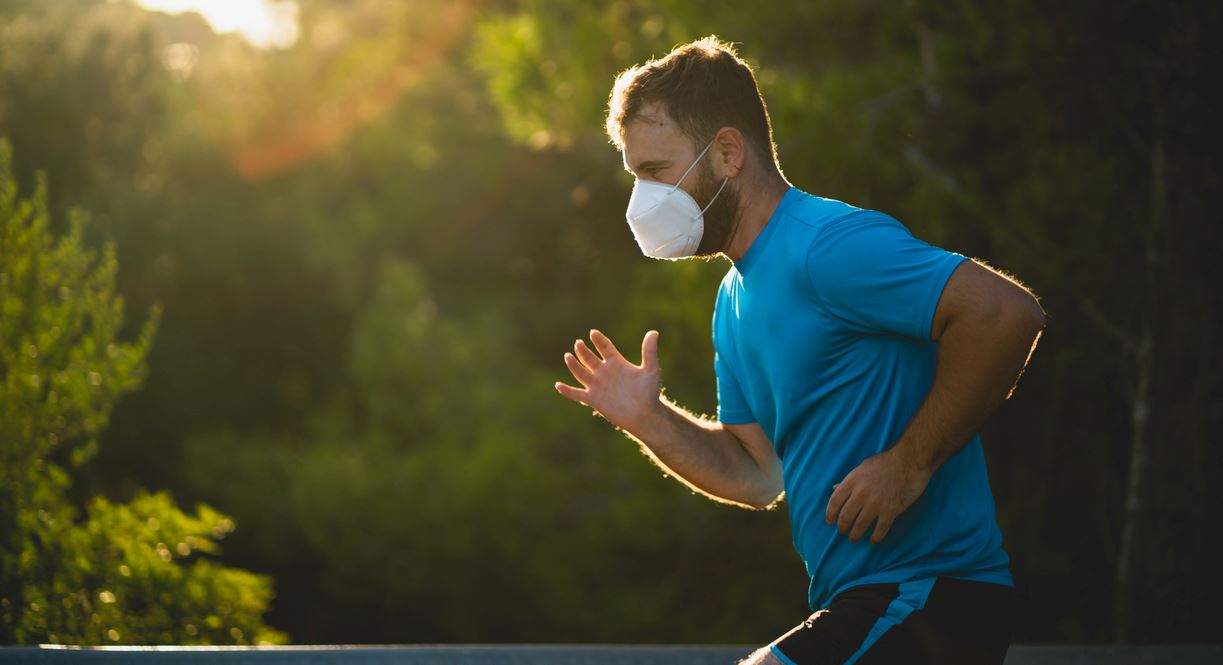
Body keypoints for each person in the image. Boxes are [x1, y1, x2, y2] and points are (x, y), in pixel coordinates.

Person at [554, 36, 1045, 665]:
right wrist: (649, 420)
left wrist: (909, 463)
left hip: (933, 593)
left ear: (727, 153)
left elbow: (1005, 314)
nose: (641, 199)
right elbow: (758, 475)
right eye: (635, 176)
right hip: (861, 603)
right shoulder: (733, 301)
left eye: (655, 171)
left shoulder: (827, 245)